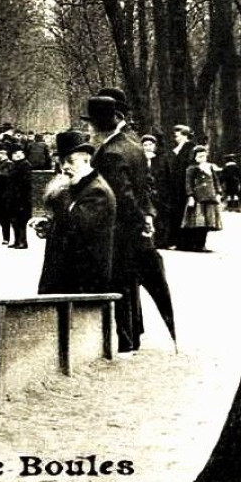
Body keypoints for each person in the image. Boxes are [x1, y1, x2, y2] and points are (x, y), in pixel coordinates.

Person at [86, 88, 156, 355]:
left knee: (117, 282)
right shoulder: (133, 144)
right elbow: (144, 188)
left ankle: (125, 339)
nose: (89, 130)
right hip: (132, 228)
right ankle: (132, 334)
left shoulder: (111, 153)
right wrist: (146, 218)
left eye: (91, 125)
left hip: (117, 230)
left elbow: (121, 197)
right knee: (129, 282)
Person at [36, 131, 116, 295]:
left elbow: (77, 229)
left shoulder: (96, 192)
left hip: (83, 282)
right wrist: (50, 225)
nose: (65, 167)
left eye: (70, 161)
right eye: (62, 162)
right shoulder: (78, 187)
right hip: (67, 280)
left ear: (86, 159)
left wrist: (60, 191)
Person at [177, 144, 222, 252]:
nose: (202, 158)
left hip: (210, 198)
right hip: (198, 199)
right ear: (195, 157)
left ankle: (203, 244)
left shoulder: (210, 167)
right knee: (198, 223)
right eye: (200, 156)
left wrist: (219, 193)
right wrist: (190, 196)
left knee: (208, 222)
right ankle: (195, 244)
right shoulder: (191, 169)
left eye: (204, 156)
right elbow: (188, 184)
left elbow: (216, 181)